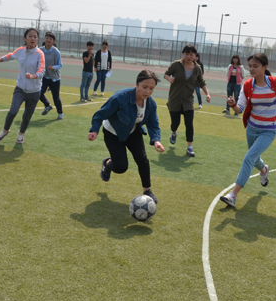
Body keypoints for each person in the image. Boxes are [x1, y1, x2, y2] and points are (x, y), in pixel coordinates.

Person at [220, 53, 276, 207]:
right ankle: (263, 170)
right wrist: (232, 105)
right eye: (250, 66)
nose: (251, 69)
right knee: (254, 158)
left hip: (268, 131)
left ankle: (233, 195)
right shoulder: (248, 85)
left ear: (265, 67)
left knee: (249, 158)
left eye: (255, 66)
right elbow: (239, 109)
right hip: (251, 129)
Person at [88, 70, 164, 203]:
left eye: (151, 88)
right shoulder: (120, 98)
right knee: (121, 167)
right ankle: (107, 163)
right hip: (113, 132)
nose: (147, 91)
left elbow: (153, 124)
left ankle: (147, 190)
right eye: (144, 87)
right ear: (137, 84)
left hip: (133, 130)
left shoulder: (150, 104)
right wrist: (94, 130)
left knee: (143, 160)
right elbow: (100, 114)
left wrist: (156, 140)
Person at [0, 28, 45, 144]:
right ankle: (5, 130)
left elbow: (42, 71)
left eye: (35, 36)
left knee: (26, 116)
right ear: (25, 38)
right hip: (20, 89)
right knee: (13, 111)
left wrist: (32, 76)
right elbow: (9, 56)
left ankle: (21, 134)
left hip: (34, 92)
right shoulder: (20, 51)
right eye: (30, 36)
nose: (33, 39)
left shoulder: (40, 54)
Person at [164, 45, 210, 158]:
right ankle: (174, 132)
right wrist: (169, 78)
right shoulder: (176, 64)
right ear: (183, 54)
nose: (189, 56)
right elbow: (166, 73)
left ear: (195, 55)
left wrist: (207, 94)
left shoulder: (197, 68)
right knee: (175, 123)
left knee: (189, 123)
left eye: (191, 54)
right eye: (186, 54)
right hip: (175, 98)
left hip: (188, 100)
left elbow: (202, 82)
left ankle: (190, 147)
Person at [39, 32, 64, 120]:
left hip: (55, 78)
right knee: (39, 93)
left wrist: (53, 67)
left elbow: (60, 64)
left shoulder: (55, 51)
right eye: (46, 38)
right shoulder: (40, 50)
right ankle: (47, 105)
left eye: (50, 39)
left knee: (56, 98)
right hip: (44, 77)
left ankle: (60, 113)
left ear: (53, 41)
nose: (48, 40)